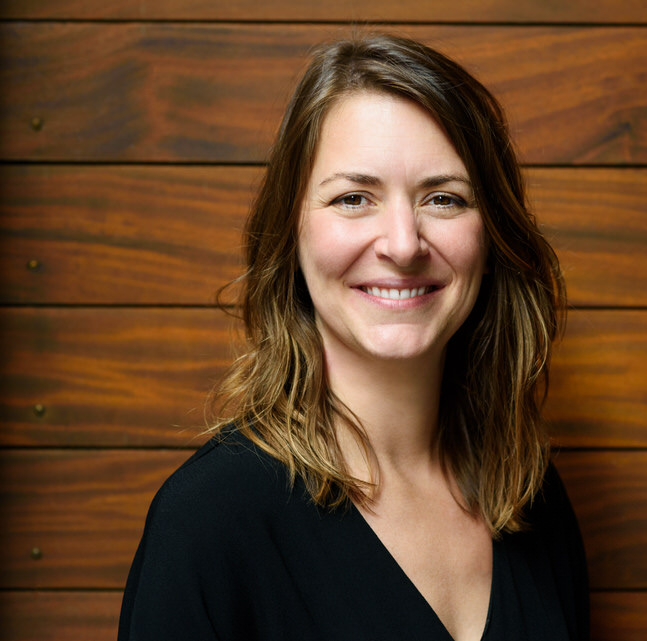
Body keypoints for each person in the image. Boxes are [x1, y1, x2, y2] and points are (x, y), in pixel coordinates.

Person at [118, 33, 588, 641]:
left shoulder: (534, 499)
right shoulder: (208, 522)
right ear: (293, 233)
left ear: (493, 237)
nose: (402, 243)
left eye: (443, 198)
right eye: (353, 198)